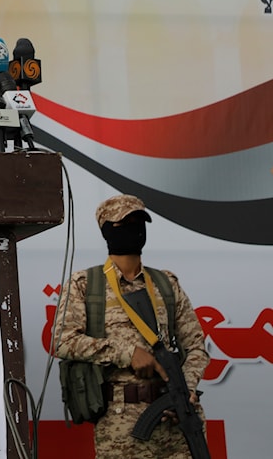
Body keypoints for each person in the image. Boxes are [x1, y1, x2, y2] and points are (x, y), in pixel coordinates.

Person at [53, 194, 210, 458]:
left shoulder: (165, 283)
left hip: (176, 421)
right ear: (106, 231)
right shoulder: (85, 284)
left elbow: (195, 347)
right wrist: (126, 353)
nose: (135, 228)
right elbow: (63, 341)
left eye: (139, 221)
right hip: (121, 425)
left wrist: (187, 390)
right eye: (124, 223)